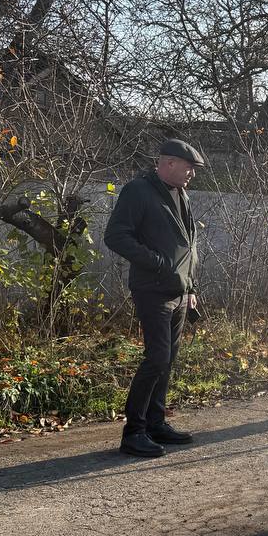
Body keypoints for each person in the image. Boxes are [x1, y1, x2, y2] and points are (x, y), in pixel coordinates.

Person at [104, 138, 205, 456]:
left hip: (178, 292)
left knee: (168, 359)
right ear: (169, 163)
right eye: (189, 168)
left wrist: (189, 288)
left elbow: (188, 245)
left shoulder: (181, 194)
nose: (192, 174)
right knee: (157, 358)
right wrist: (159, 264)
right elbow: (116, 236)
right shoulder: (138, 191)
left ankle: (155, 423)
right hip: (152, 290)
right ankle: (133, 432)